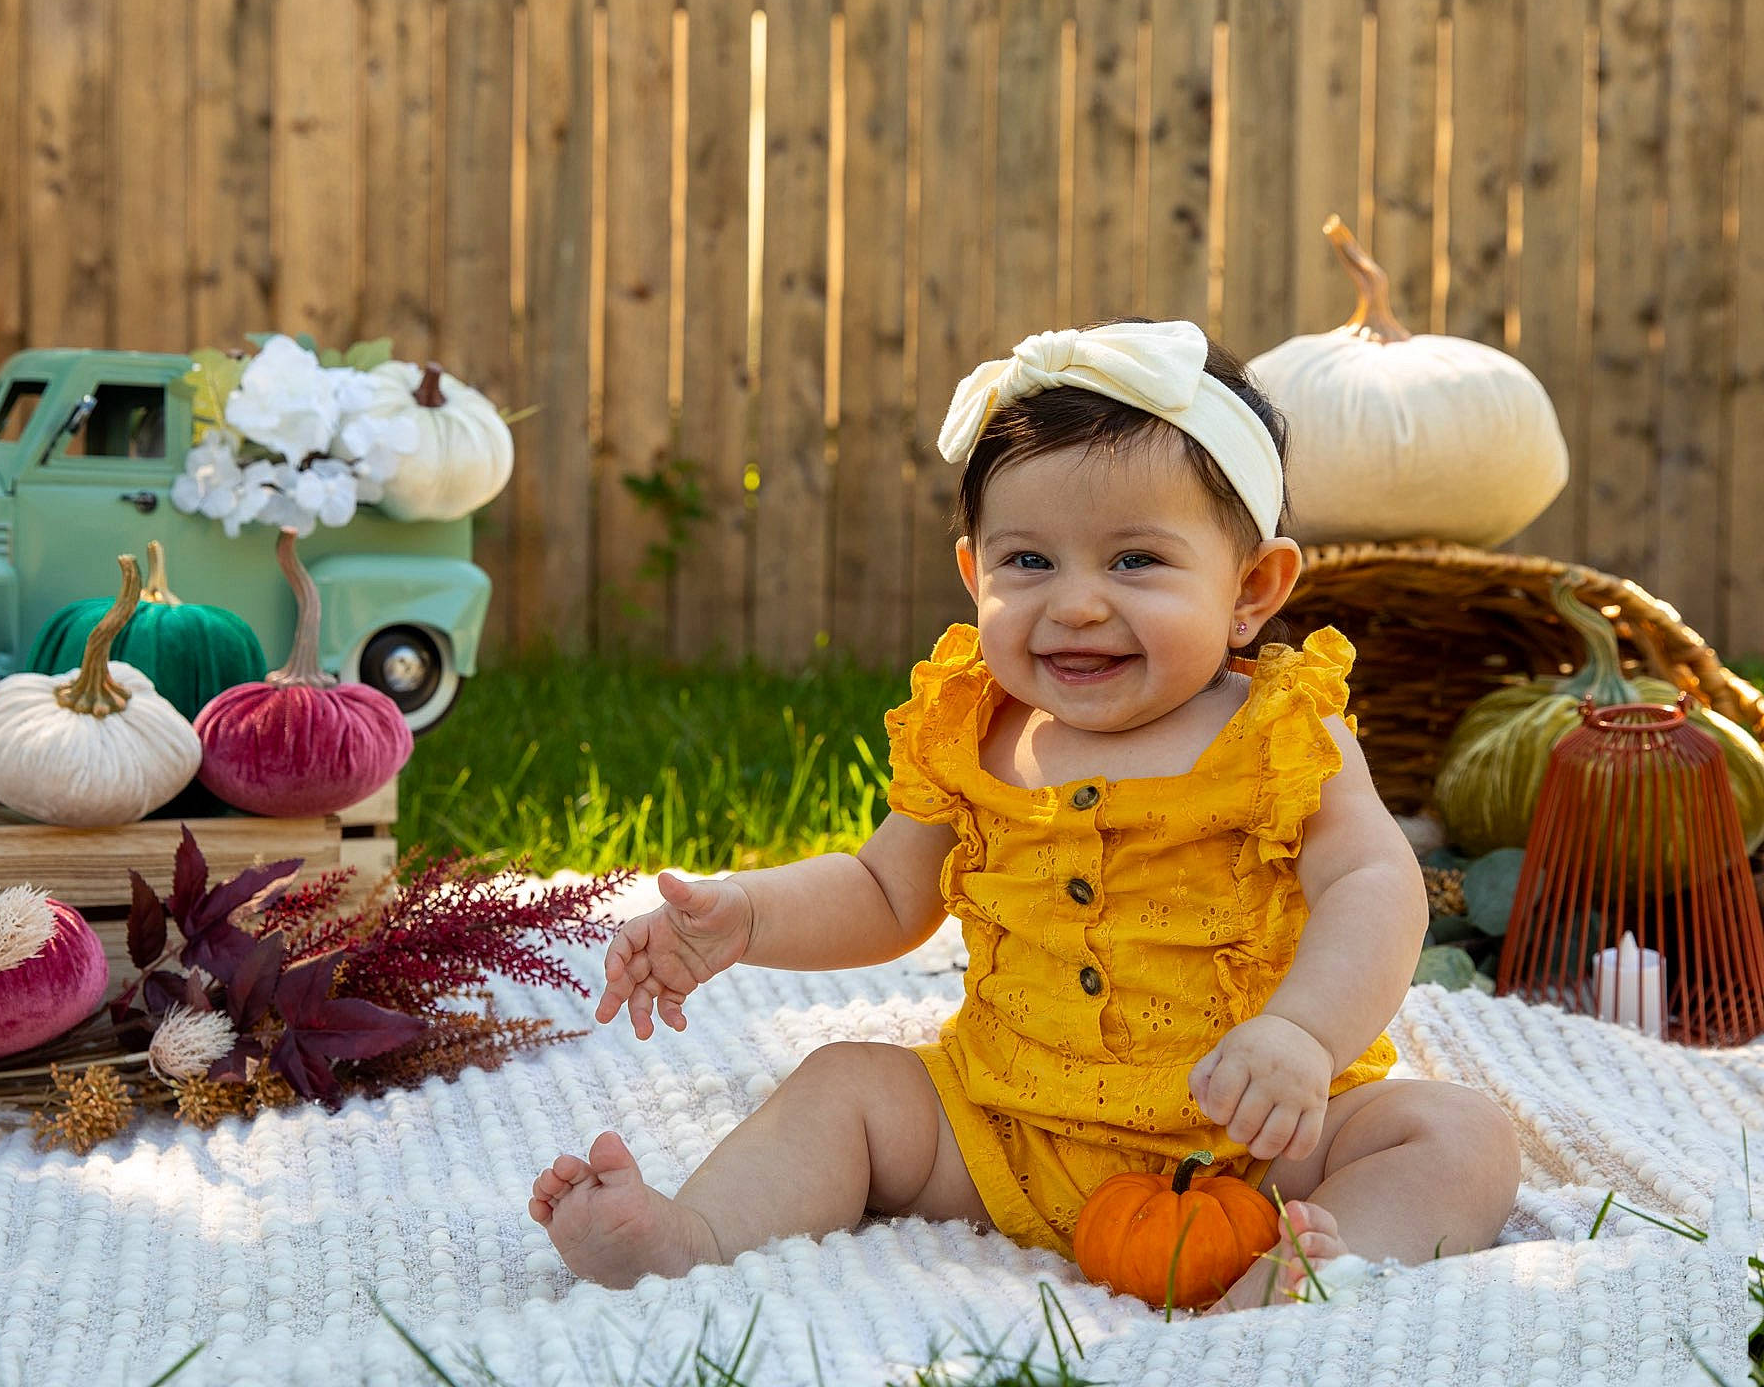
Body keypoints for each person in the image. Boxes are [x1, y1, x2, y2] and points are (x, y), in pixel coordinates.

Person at [529, 318, 1519, 1309]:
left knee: (1459, 1136)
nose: (1076, 603)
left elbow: (1372, 882)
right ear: (974, 575)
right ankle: (693, 1235)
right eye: (1029, 562)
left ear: (1250, 589)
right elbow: (881, 890)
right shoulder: (974, 726)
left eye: (1133, 560)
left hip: (1254, 1139)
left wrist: (1302, 1035)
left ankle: (1303, 1275)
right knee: (844, 1084)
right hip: (1008, 1127)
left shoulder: (1278, 732)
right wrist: (744, 915)